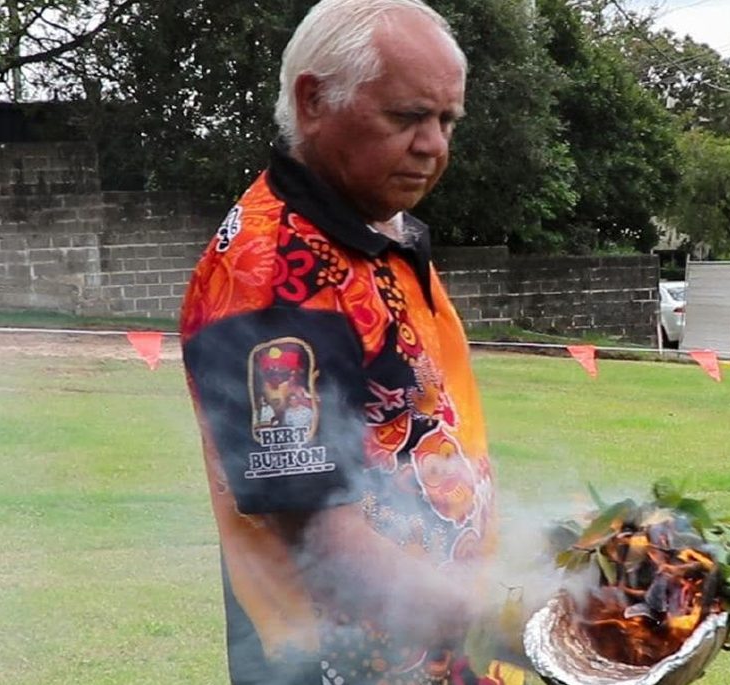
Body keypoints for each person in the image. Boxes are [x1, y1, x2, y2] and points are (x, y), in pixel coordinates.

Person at [181, 2, 536, 683]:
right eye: (406, 117)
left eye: (446, 119)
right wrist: (534, 631)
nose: (434, 144)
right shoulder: (272, 276)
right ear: (313, 100)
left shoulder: (382, 235)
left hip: (444, 655)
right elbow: (323, 542)